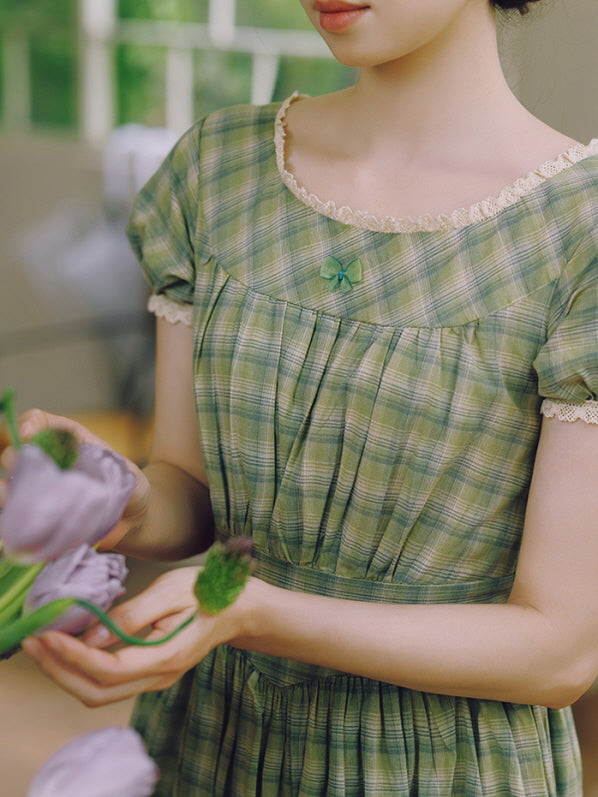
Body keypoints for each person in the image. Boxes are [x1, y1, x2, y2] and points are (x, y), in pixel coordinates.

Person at [2, 0, 598, 793]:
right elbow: (195, 496)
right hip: (212, 742)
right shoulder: (218, 167)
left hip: (441, 766)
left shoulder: (579, 231)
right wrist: (116, 495)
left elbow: (559, 653)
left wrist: (251, 610)